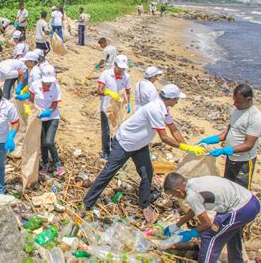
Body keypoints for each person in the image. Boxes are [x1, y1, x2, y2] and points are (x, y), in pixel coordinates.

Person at [82, 84, 206, 220]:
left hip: (140, 145)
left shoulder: (165, 109)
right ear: (170, 99)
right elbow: (164, 137)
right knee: (108, 173)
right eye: (177, 99)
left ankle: (144, 204)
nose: (177, 101)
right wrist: (184, 148)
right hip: (125, 143)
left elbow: (173, 128)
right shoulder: (155, 109)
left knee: (147, 174)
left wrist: (188, 146)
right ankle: (87, 203)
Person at [163, 173, 260, 263]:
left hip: (241, 208)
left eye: (173, 194)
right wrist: (177, 225)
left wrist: (190, 233)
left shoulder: (192, 195)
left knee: (210, 236)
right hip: (250, 201)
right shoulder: (193, 182)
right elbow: (196, 208)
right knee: (231, 235)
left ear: (178, 191)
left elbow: (207, 224)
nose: (175, 197)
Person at [197, 84, 261, 190]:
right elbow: (227, 132)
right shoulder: (235, 110)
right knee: (228, 186)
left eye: (238, 101)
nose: (234, 104)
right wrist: (210, 140)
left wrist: (225, 150)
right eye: (234, 100)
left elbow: (248, 145)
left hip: (244, 161)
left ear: (248, 99)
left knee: (241, 191)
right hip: (231, 158)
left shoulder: (255, 117)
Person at [30, 65, 64, 176]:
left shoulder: (55, 87)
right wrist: (31, 109)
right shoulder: (35, 85)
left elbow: (55, 103)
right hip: (40, 117)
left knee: (49, 141)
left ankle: (58, 163)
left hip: (52, 117)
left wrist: (49, 110)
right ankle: (45, 163)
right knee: (43, 143)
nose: (47, 84)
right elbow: (31, 98)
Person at [97, 55, 131, 160]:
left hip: (119, 108)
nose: (122, 70)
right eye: (120, 68)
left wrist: (128, 103)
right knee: (106, 131)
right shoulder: (106, 74)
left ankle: (115, 151)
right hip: (106, 107)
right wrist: (108, 92)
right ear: (115, 65)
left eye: (123, 68)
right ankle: (106, 152)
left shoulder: (126, 77)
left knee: (118, 129)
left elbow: (128, 91)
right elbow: (99, 91)